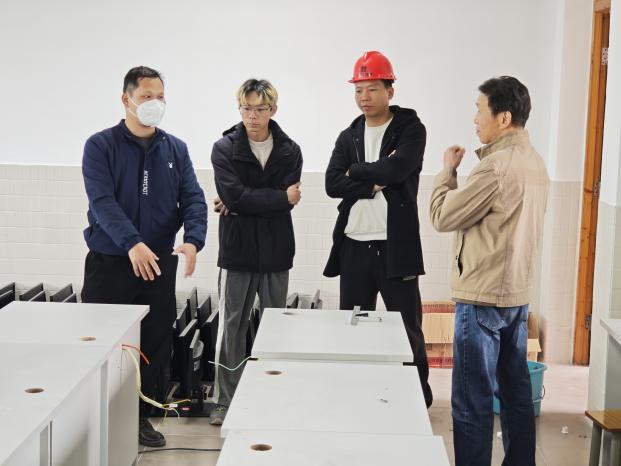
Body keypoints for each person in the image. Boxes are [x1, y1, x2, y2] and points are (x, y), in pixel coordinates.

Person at [81, 66, 207, 447]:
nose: (155, 104)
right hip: (111, 263)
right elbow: (102, 202)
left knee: (151, 347)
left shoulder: (175, 149)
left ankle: (138, 420)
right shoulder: (100, 146)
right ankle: (95, 421)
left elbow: (194, 198)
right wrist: (132, 243)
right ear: (127, 100)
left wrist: (193, 240)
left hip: (156, 266)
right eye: (147, 96)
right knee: (104, 345)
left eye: (160, 97)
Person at [430, 76, 549, 466]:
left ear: (504, 118)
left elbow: (442, 216)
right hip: (516, 295)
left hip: (481, 298)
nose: (474, 118)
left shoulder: (495, 167)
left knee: (472, 401)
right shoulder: (535, 163)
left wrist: (447, 172)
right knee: (516, 396)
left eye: (479, 109)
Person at [324, 51, 433, 407]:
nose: (364, 97)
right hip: (354, 244)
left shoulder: (411, 129)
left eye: (372, 89)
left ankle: (418, 397)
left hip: (395, 245)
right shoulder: (349, 135)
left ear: (390, 91)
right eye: (358, 90)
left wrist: (356, 172)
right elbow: (331, 183)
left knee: (407, 327)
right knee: (353, 327)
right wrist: (371, 182)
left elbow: (397, 170)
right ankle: (355, 394)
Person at [209, 78, 303, 425]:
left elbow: (244, 199)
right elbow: (236, 197)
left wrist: (244, 201)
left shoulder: (290, 150)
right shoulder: (224, 148)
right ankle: (225, 401)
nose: (252, 115)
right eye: (246, 108)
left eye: (259, 108)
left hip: (277, 250)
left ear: (272, 110)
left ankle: (271, 396)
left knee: (275, 326)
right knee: (231, 326)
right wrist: (277, 198)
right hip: (238, 251)